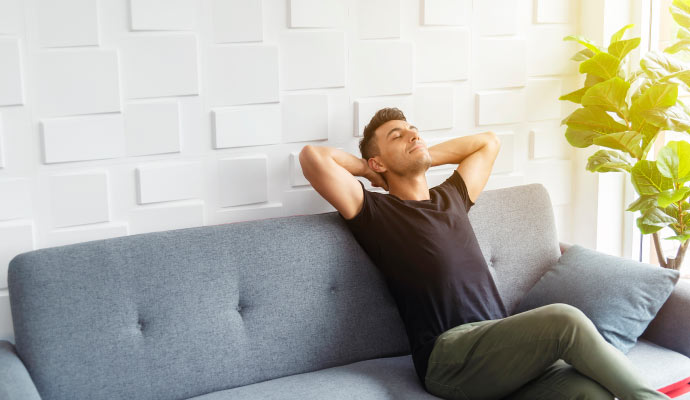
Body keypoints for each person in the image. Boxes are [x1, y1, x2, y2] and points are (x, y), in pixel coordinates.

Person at [298, 107, 670, 400]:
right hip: (449, 359)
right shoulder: (376, 212)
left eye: (414, 129)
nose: (412, 133)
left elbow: (488, 142)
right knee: (564, 320)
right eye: (397, 135)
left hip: (497, 350)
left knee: (590, 393)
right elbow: (313, 157)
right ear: (378, 162)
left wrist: (420, 153)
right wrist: (369, 170)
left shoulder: (451, 198)